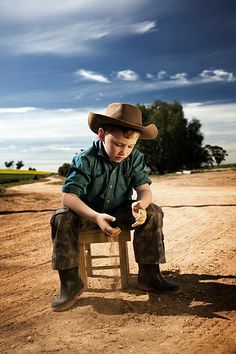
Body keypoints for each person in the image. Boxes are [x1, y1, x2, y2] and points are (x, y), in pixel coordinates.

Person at [50, 102, 181, 312]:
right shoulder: (85, 159)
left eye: (130, 146)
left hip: (120, 212)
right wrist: (95, 217)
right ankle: (70, 283)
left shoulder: (134, 159)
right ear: (101, 135)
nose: (124, 152)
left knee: (153, 211)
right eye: (118, 144)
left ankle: (149, 275)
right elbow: (68, 197)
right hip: (88, 214)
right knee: (61, 216)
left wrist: (140, 205)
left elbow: (145, 191)